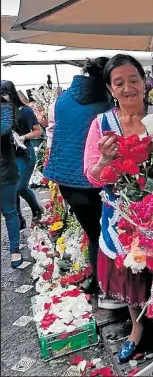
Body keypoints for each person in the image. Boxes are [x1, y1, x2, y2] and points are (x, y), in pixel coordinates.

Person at [84, 54, 153, 363]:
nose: (128, 88)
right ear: (110, 88)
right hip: (122, 214)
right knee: (133, 270)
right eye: (119, 83)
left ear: (145, 83)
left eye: (134, 80)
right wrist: (104, 160)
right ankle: (137, 327)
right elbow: (91, 176)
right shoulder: (101, 124)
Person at [44, 58, 111, 298]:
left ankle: (100, 285)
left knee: (93, 235)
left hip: (66, 179)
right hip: (95, 178)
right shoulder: (106, 104)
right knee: (109, 234)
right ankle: (112, 288)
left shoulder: (62, 100)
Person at [1, 80, 43, 229]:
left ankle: (37, 209)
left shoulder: (24, 111)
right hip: (9, 157)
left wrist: (23, 137)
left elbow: (38, 131)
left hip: (25, 154)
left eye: (4, 94)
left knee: (20, 187)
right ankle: (19, 220)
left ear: (11, 93)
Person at [1, 97, 22, 268]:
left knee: (9, 211)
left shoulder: (5, 107)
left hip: (4, 170)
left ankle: (15, 249)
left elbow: (4, 128)